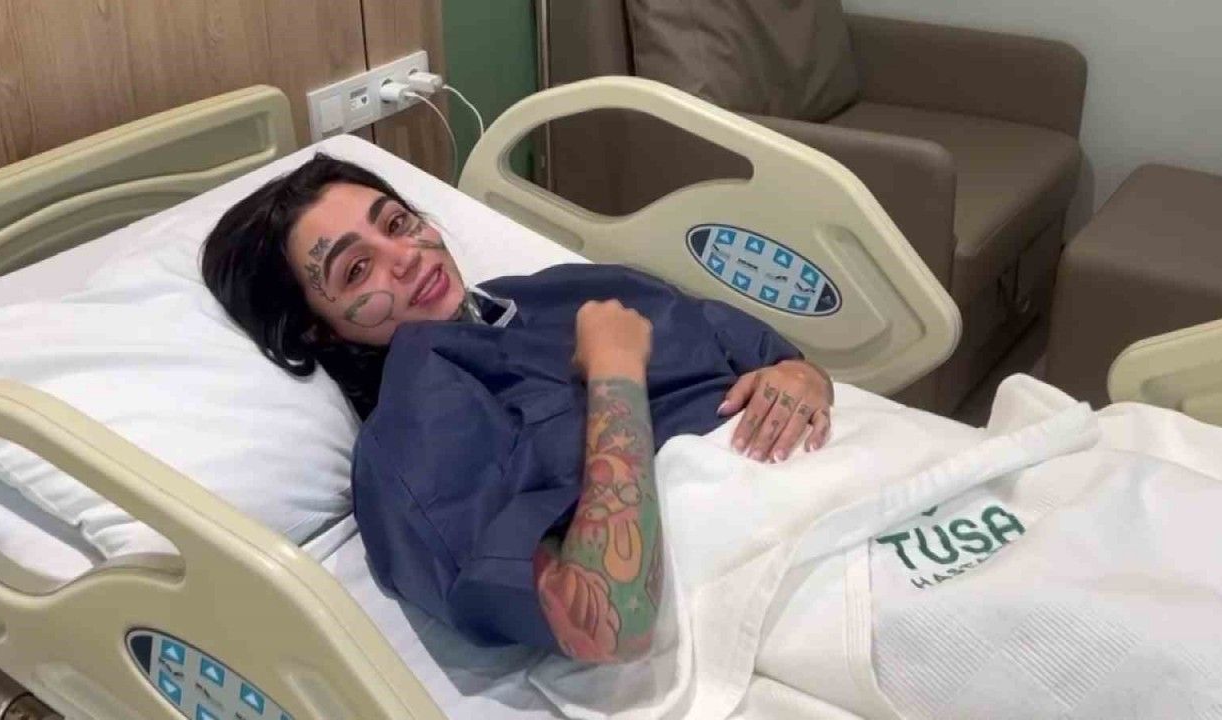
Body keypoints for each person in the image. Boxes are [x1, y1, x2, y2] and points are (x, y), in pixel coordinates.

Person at [201, 154, 834, 663]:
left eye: (394, 223)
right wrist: (614, 372)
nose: (405, 256)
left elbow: (760, 350)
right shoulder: (413, 437)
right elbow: (609, 621)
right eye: (357, 269)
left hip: (842, 472)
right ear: (318, 328)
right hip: (793, 576)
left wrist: (800, 378)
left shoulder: (556, 290)